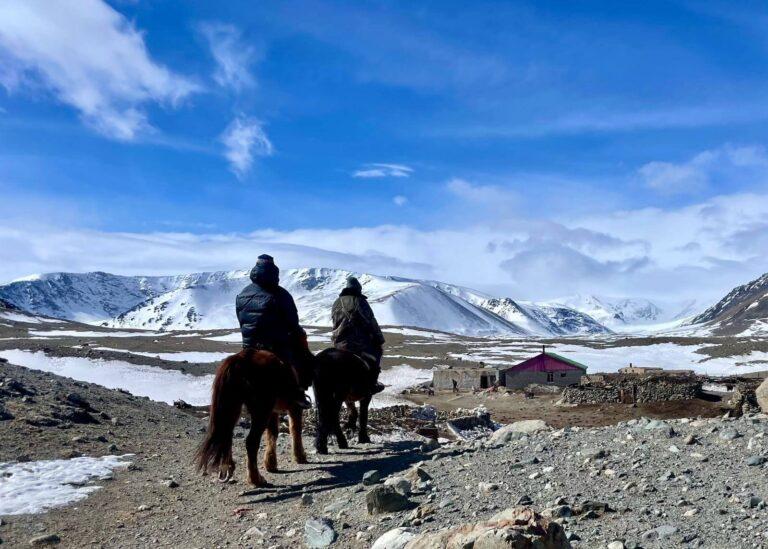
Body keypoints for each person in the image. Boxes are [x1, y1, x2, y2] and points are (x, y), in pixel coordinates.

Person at [235, 254, 311, 409]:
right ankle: (299, 394)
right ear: (274, 271)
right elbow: (292, 323)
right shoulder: (281, 294)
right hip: (276, 347)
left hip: (248, 346)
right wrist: (298, 333)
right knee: (302, 360)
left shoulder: (242, 294)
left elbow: (241, 319)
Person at [331, 276, 385, 394]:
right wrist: (379, 340)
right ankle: (372, 384)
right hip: (358, 344)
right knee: (377, 353)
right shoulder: (359, 301)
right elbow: (371, 321)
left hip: (338, 344)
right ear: (358, 289)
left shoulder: (336, 303)